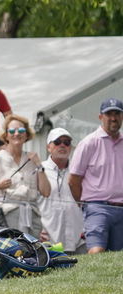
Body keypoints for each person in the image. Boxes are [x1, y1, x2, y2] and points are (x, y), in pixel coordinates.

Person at [0, 114, 51, 238]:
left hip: (31, 220)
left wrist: (39, 165)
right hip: (5, 218)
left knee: (30, 256)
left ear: (26, 135)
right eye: (12, 130)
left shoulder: (33, 159)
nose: (17, 133)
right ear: (6, 135)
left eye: (21, 130)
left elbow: (46, 192)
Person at [69, 98, 123, 254]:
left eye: (117, 113)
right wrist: (86, 204)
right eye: (109, 114)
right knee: (96, 250)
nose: (113, 118)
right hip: (97, 207)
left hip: (121, 208)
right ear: (100, 117)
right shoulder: (89, 143)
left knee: (118, 258)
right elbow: (73, 180)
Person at [38, 128, 85, 254]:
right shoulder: (39, 170)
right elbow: (30, 203)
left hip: (78, 241)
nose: (62, 145)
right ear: (49, 147)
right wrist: (35, 230)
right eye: (58, 142)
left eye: (67, 142)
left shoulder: (79, 171)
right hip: (47, 241)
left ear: (71, 147)